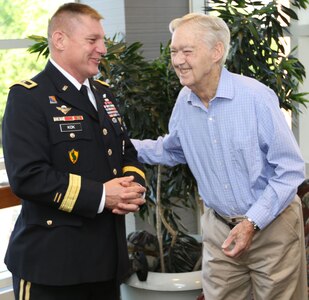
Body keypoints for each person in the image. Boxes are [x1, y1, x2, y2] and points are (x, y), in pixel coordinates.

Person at [132, 13, 307, 300]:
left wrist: (251, 223)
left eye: (187, 51)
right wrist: (122, 146)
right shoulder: (184, 102)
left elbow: (289, 170)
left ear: (216, 52)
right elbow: (173, 149)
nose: (177, 60)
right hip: (220, 229)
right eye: (175, 51)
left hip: (272, 227)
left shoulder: (255, 98)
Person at [2, 3, 146, 300]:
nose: (103, 49)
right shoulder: (29, 97)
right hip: (53, 266)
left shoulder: (104, 93)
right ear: (60, 40)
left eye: (102, 40)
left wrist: (132, 187)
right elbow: (27, 177)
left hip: (106, 262)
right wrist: (104, 196)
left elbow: (126, 151)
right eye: (93, 41)